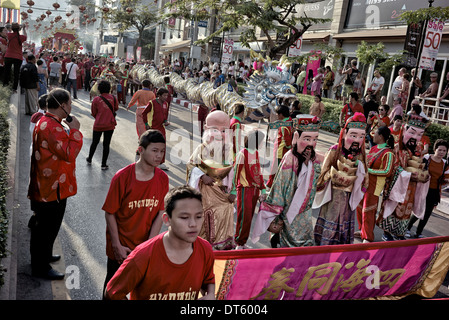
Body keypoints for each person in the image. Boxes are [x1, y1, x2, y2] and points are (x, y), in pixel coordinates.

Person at [104, 185, 215, 300]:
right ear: (167, 220)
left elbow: (209, 280)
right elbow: (112, 293)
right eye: (184, 217)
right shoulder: (143, 255)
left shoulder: (205, 249)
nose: (193, 224)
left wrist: (211, 294)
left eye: (198, 216)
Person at [101, 129, 169, 296]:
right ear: (141, 150)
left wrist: (149, 245)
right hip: (121, 246)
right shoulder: (122, 177)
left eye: (162, 151)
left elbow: (161, 212)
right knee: (113, 289)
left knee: (140, 290)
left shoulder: (162, 179)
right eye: (154, 151)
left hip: (143, 247)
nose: (159, 155)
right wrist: (116, 245)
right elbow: (110, 213)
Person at [28, 88, 83, 280]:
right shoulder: (53, 127)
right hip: (51, 188)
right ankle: (40, 266)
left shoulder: (48, 121)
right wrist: (75, 130)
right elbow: (69, 153)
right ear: (63, 106)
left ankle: (43, 256)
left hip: (49, 185)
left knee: (46, 227)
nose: (71, 106)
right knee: (46, 228)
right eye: (70, 103)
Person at [252, 116, 324, 247]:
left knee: (304, 238)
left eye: (315, 140)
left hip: (304, 209)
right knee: (287, 235)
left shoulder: (314, 159)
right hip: (289, 204)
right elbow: (280, 184)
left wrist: (309, 165)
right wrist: (273, 204)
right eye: (307, 139)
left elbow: (317, 180)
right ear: (296, 138)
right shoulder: (289, 157)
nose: (311, 144)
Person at [314, 113, 368, 245]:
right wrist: (333, 176)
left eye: (361, 136)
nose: (357, 140)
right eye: (353, 135)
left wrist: (361, 183)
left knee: (345, 221)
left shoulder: (360, 155)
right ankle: (325, 245)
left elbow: (365, 176)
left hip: (349, 195)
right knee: (331, 221)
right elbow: (323, 173)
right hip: (333, 195)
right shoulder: (334, 151)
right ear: (344, 134)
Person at [186, 110, 235, 250]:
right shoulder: (201, 148)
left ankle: (221, 250)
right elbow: (190, 165)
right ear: (206, 129)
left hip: (223, 194)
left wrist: (234, 192)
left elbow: (235, 172)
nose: (220, 134)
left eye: (224, 130)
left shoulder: (229, 150)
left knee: (225, 213)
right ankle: (203, 249)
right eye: (215, 129)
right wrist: (202, 175)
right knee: (204, 221)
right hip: (205, 194)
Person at [377, 115, 429, 241]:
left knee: (406, 210)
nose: (415, 138)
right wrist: (407, 173)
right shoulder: (396, 148)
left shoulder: (418, 149)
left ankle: (399, 232)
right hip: (396, 184)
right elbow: (392, 167)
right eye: (412, 133)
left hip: (411, 186)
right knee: (394, 207)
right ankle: (387, 232)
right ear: (404, 130)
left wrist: (422, 172)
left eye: (419, 135)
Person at [355, 126, 395, 243]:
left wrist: (369, 170)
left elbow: (387, 171)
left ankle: (368, 236)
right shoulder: (373, 149)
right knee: (359, 207)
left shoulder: (388, 153)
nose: (373, 135)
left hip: (375, 185)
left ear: (381, 136)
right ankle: (362, 230)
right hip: (365, 182)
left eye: (375, 133)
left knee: (368, 210)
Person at [230, 130, 267, 249]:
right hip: (245, 189)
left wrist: (263, 189)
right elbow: (236, 172)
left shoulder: (255, 153)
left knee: (249, 217)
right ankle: (238, 242)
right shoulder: (242, 153)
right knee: (244, 217)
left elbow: (257, 172)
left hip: (254, 190)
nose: (262, 144)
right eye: (261, 141)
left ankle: (242, 242)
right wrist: (234, 191)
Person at [406, 139, 449, 238]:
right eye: (440, 150)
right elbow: (418, 168)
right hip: (422, 188)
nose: (442, 152)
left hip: (434, 191)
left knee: (427, 213)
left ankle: (419, 232)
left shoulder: (445, 163)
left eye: (444, 151)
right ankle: (408, 228)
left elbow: (445, 178)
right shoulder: (427, 158)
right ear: (435, 149)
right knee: (419, 209)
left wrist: (446, 181)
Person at [86, 80, 119, 170]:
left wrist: (100, 117)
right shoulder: (113, 98)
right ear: (109, 89)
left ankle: (89, 158)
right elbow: (116, 108)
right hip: (110, 124)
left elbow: (93, 112)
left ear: (99, 89)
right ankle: (103, 164)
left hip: (98, 124)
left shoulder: (96, 99)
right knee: (106, 144)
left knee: (95, 142)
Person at [142, 88, 170, 170]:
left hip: (161, 127)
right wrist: (146, 124)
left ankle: (161, 163)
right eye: (164, 95)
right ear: (159, 95)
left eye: (166, 95)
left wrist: (165, 121)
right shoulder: (152, 103)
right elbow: (144, 113)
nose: (165, 97)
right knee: (152, 146)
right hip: (152, 127)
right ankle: (149, 161)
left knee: (163, 144)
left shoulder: (166, 104)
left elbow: (165, 115)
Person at [266, 105, 293, 188]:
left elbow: (287, 141)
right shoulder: (290, 121)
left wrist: (288, 148)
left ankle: (271, 185)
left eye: (278, 114)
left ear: (281, 114)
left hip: (280, 151)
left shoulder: (283, 125)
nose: (277, 116)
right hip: (283, 150)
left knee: (275, 168)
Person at [3, 22, 27, 92]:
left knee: (6, 72)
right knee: (16, 73)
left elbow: (6, 31)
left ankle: (5, 86)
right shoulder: (21, 37)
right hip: (18, 57)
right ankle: (14, 88)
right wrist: (24, 28)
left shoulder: (9, 35)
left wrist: (11, 27)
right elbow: (25, 36)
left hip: (8, 56)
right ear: (19, 29)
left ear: (12, 29)